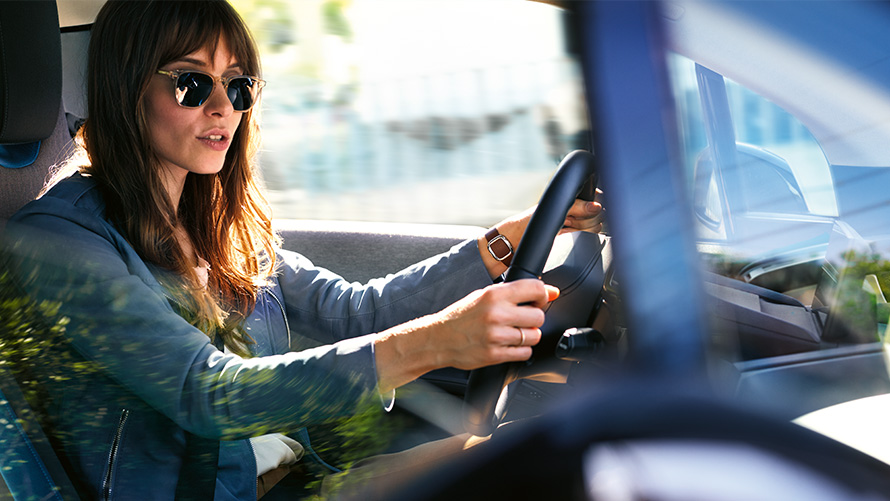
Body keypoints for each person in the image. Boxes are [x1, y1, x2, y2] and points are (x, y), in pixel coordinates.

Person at [0, 1, 603, 499]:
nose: (222, 108)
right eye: (191, 83)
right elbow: (206, 391)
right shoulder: (54, 243)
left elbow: (356, 312)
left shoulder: (218, 222)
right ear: (126, 88)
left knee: (549, 455)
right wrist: (435, 342)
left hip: (296, 476)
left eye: (239, 86)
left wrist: (512, 240)